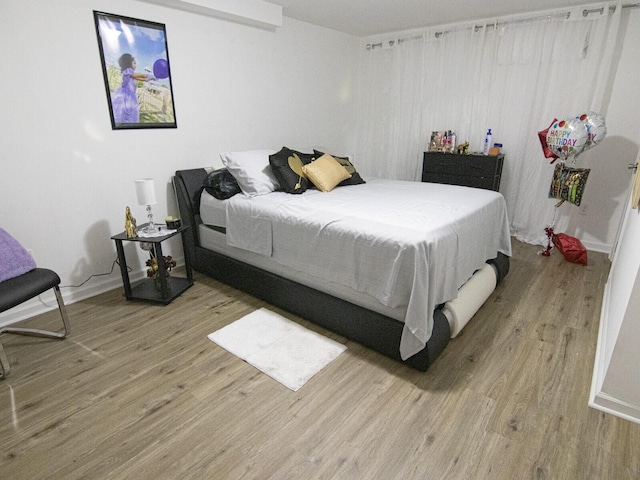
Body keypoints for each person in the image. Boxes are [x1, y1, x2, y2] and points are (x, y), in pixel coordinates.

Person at [111, 53, 155, 124]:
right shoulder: (128, 71)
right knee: (124, 112)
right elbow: (141, 75)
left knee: (127, 114)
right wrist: (149, 75)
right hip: (125, 96)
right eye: (134, 63)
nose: (136, 65)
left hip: (130, 96)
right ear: (129, 63)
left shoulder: (131, 74)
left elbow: (141, 78)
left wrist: (150, 78)